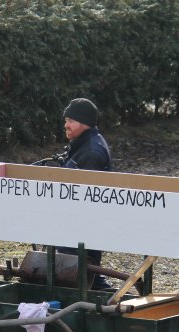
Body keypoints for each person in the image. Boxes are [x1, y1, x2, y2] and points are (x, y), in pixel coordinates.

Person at [58, 98, 112, 289]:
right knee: (85, 276)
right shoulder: (82, 145)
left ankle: (110, 303)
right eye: (66, 120)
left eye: (71, 121)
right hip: (75, 226)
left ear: (85, 123)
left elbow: (87, 198)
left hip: (82, 228)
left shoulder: (91, 152)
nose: (66, 125)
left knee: (86, 277)